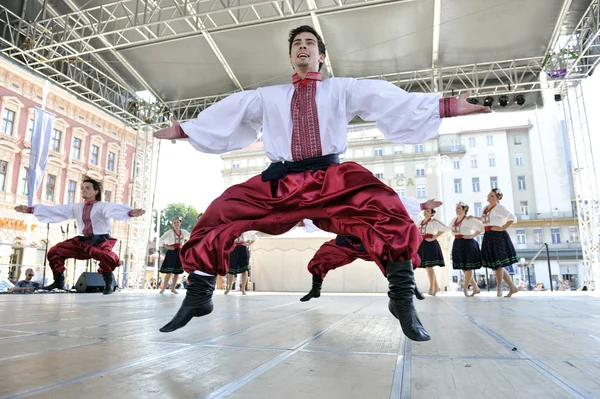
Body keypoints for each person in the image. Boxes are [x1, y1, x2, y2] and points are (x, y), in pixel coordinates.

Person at [153, 25, 490, 341]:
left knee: (388, 207)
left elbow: (387, 99)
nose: (303, 47)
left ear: (321, 56)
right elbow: (229, 113)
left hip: (330, 178)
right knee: (221, 210)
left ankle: (402, 298)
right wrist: (185, 130)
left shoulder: (341, 89)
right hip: (282, 179)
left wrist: (447, 106)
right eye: (297, 44)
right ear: (290, 57)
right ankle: (199, 295)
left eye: (309, 43)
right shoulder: (268, 96)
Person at [14, 177, 145, 295]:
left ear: (96, 191)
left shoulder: (101, 206)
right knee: (55, 251)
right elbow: (58, 210)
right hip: (82, 241)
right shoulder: (76, 207)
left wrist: (130, 212)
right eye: (82, 188)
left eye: (87, 188)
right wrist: (30, 210)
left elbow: (112, 210)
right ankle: (59, 280)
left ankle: (108, 280)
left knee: (106, 256)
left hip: (100, 240)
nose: (83, 190)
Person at [300, 198, 441, 302]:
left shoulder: (372, 198)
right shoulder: (339, 202)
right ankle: (316, 289)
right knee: (322, 256)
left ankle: (410, 285)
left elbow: (394, 202)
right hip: (347, 242)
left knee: (398, 254)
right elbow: (323, 216)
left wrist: (423, 205)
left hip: (371, 242)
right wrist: (302, 221)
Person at [475, 188, 519, 297]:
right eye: (489, 195)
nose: (489, 197)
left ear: (497, 198)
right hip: (488, 236)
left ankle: (499, 288)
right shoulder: (486, 208)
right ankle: (512, 287)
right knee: (497, 265)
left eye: (492, 196)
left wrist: (503, 227)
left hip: (498, 236)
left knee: (498, 264)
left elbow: (513, 218)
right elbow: (485, 221)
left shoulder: (500, 208)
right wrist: (474, 218)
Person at [417, 207, 449, 296]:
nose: (425, 212)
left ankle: (431, 287)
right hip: (422, 244)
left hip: (430, 244)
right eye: (425, 211)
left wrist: (434, 237)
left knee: (429, 266)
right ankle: (436, 287)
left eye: (428, 211)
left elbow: (444, 229)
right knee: (427, 267)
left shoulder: (433, 221)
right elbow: (415, 231)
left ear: (432, 213)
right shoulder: (420, 222)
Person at [158, 216, 190, 294]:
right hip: (171, 252)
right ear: (172, 224)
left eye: (177, 222)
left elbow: (191, 237)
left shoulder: (183, 232)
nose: (176, 224)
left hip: (180, 252)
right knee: (169, 271)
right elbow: (160, 240)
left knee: (177, 272)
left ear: (180, 223)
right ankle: (163, 288)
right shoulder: (169, 232)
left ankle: (173, 288)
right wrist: (167, 246)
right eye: (174, 223)